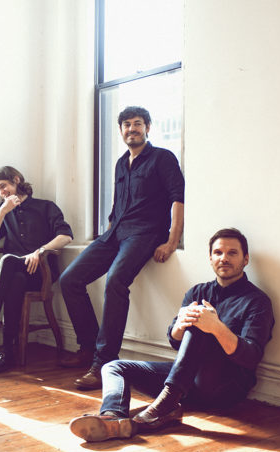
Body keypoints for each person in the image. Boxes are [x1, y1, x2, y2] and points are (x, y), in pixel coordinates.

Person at [68, 228, 275, 442]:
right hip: (184, 382)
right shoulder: (198, 292)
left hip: (223, 387)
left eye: (232, 253)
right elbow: (175, 341)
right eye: (218, 253)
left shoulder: (257, 301)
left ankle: (167, 403)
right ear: (211, 258)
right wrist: (181, 326)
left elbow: (251, 357)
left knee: (201, 321)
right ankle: (112, 417)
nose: (224, 258)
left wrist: (216, 327)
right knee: (113, 367)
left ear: (245, 259)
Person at [59, 106, 185, 389]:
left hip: (145, 233)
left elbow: (178, 198)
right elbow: (117, 204)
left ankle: (103, 361)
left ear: (148, 127)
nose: (132, 129)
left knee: (116, 281)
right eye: (126, 125)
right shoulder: (120, 163)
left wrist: (172, 240)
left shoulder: (163, 158)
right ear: (121, 130)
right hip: (115, 232)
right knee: (69, 279)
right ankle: (88, 346)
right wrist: (110, 227)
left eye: (137, 124)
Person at [0, 166, 73, 372]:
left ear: (16, 180)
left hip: (41, 273)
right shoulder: (2, 211)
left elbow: (66, 236)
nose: (1, 192)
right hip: (15, 275)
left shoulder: (46, 207)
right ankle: (7, 351)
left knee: (8, 260)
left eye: (4, 186)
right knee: (15, 279)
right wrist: (3, 211)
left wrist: (40, 251)